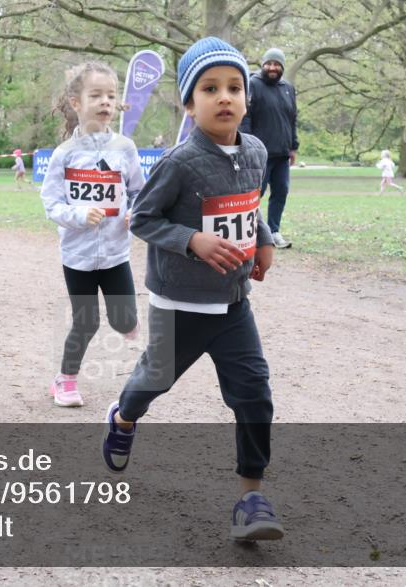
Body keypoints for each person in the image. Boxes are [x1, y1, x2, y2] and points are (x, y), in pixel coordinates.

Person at [103, 37, 284, 542]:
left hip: (232, 305)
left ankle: (251, 496)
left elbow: (250, 203)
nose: (224, 97)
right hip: (178, 306)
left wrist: (264, 239)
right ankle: (122, 417)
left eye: (234, 87)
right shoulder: (179, 162)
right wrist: (192, 240)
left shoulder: (256, 150)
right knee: (150, 384)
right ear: (189, 103)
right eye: (210, 89)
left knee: (254, 395)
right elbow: (143, 219)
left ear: (247, 99)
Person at [41, 61, 145, 407]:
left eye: (111, 96)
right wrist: (79, 214)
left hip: (116, 254)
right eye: (96, 95)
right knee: (86, 323)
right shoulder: (64, 155)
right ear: (75, 103)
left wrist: (136, 212)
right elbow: (52, 203)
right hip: (78, 257)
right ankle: (65, 381)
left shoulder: (125, 149)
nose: (105, 102)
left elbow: (139, 192)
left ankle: (127, 321)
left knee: (125, 320)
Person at [238, 47, 297, 249]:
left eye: (277, 64)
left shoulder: (288, 88)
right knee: (255, 193)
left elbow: (292, 119)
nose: (272, 67)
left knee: (281, 192)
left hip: (282, 154)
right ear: (263, 64)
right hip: (259, 154)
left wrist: (293, 147)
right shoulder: (252, 84)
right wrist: (247, 144)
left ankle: (273, 231)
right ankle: (249, 233)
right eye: (269, 63)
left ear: (282, 67)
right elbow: (245, 117)